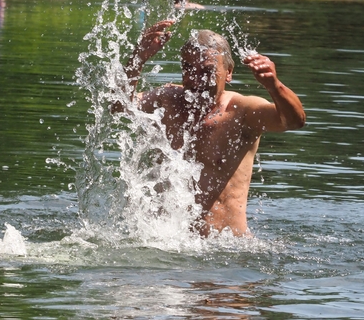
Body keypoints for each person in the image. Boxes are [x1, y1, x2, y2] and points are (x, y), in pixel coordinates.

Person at [111, 20, 306, 237]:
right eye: (188, 69)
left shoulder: (242, 112)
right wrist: (137, 59)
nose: (196, 80)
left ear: (229, 72)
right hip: (167, 244)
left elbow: (294, 121)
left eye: (207, 71)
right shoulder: (166, 102)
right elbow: (119, 107)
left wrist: (274, 85)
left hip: (226, 251)